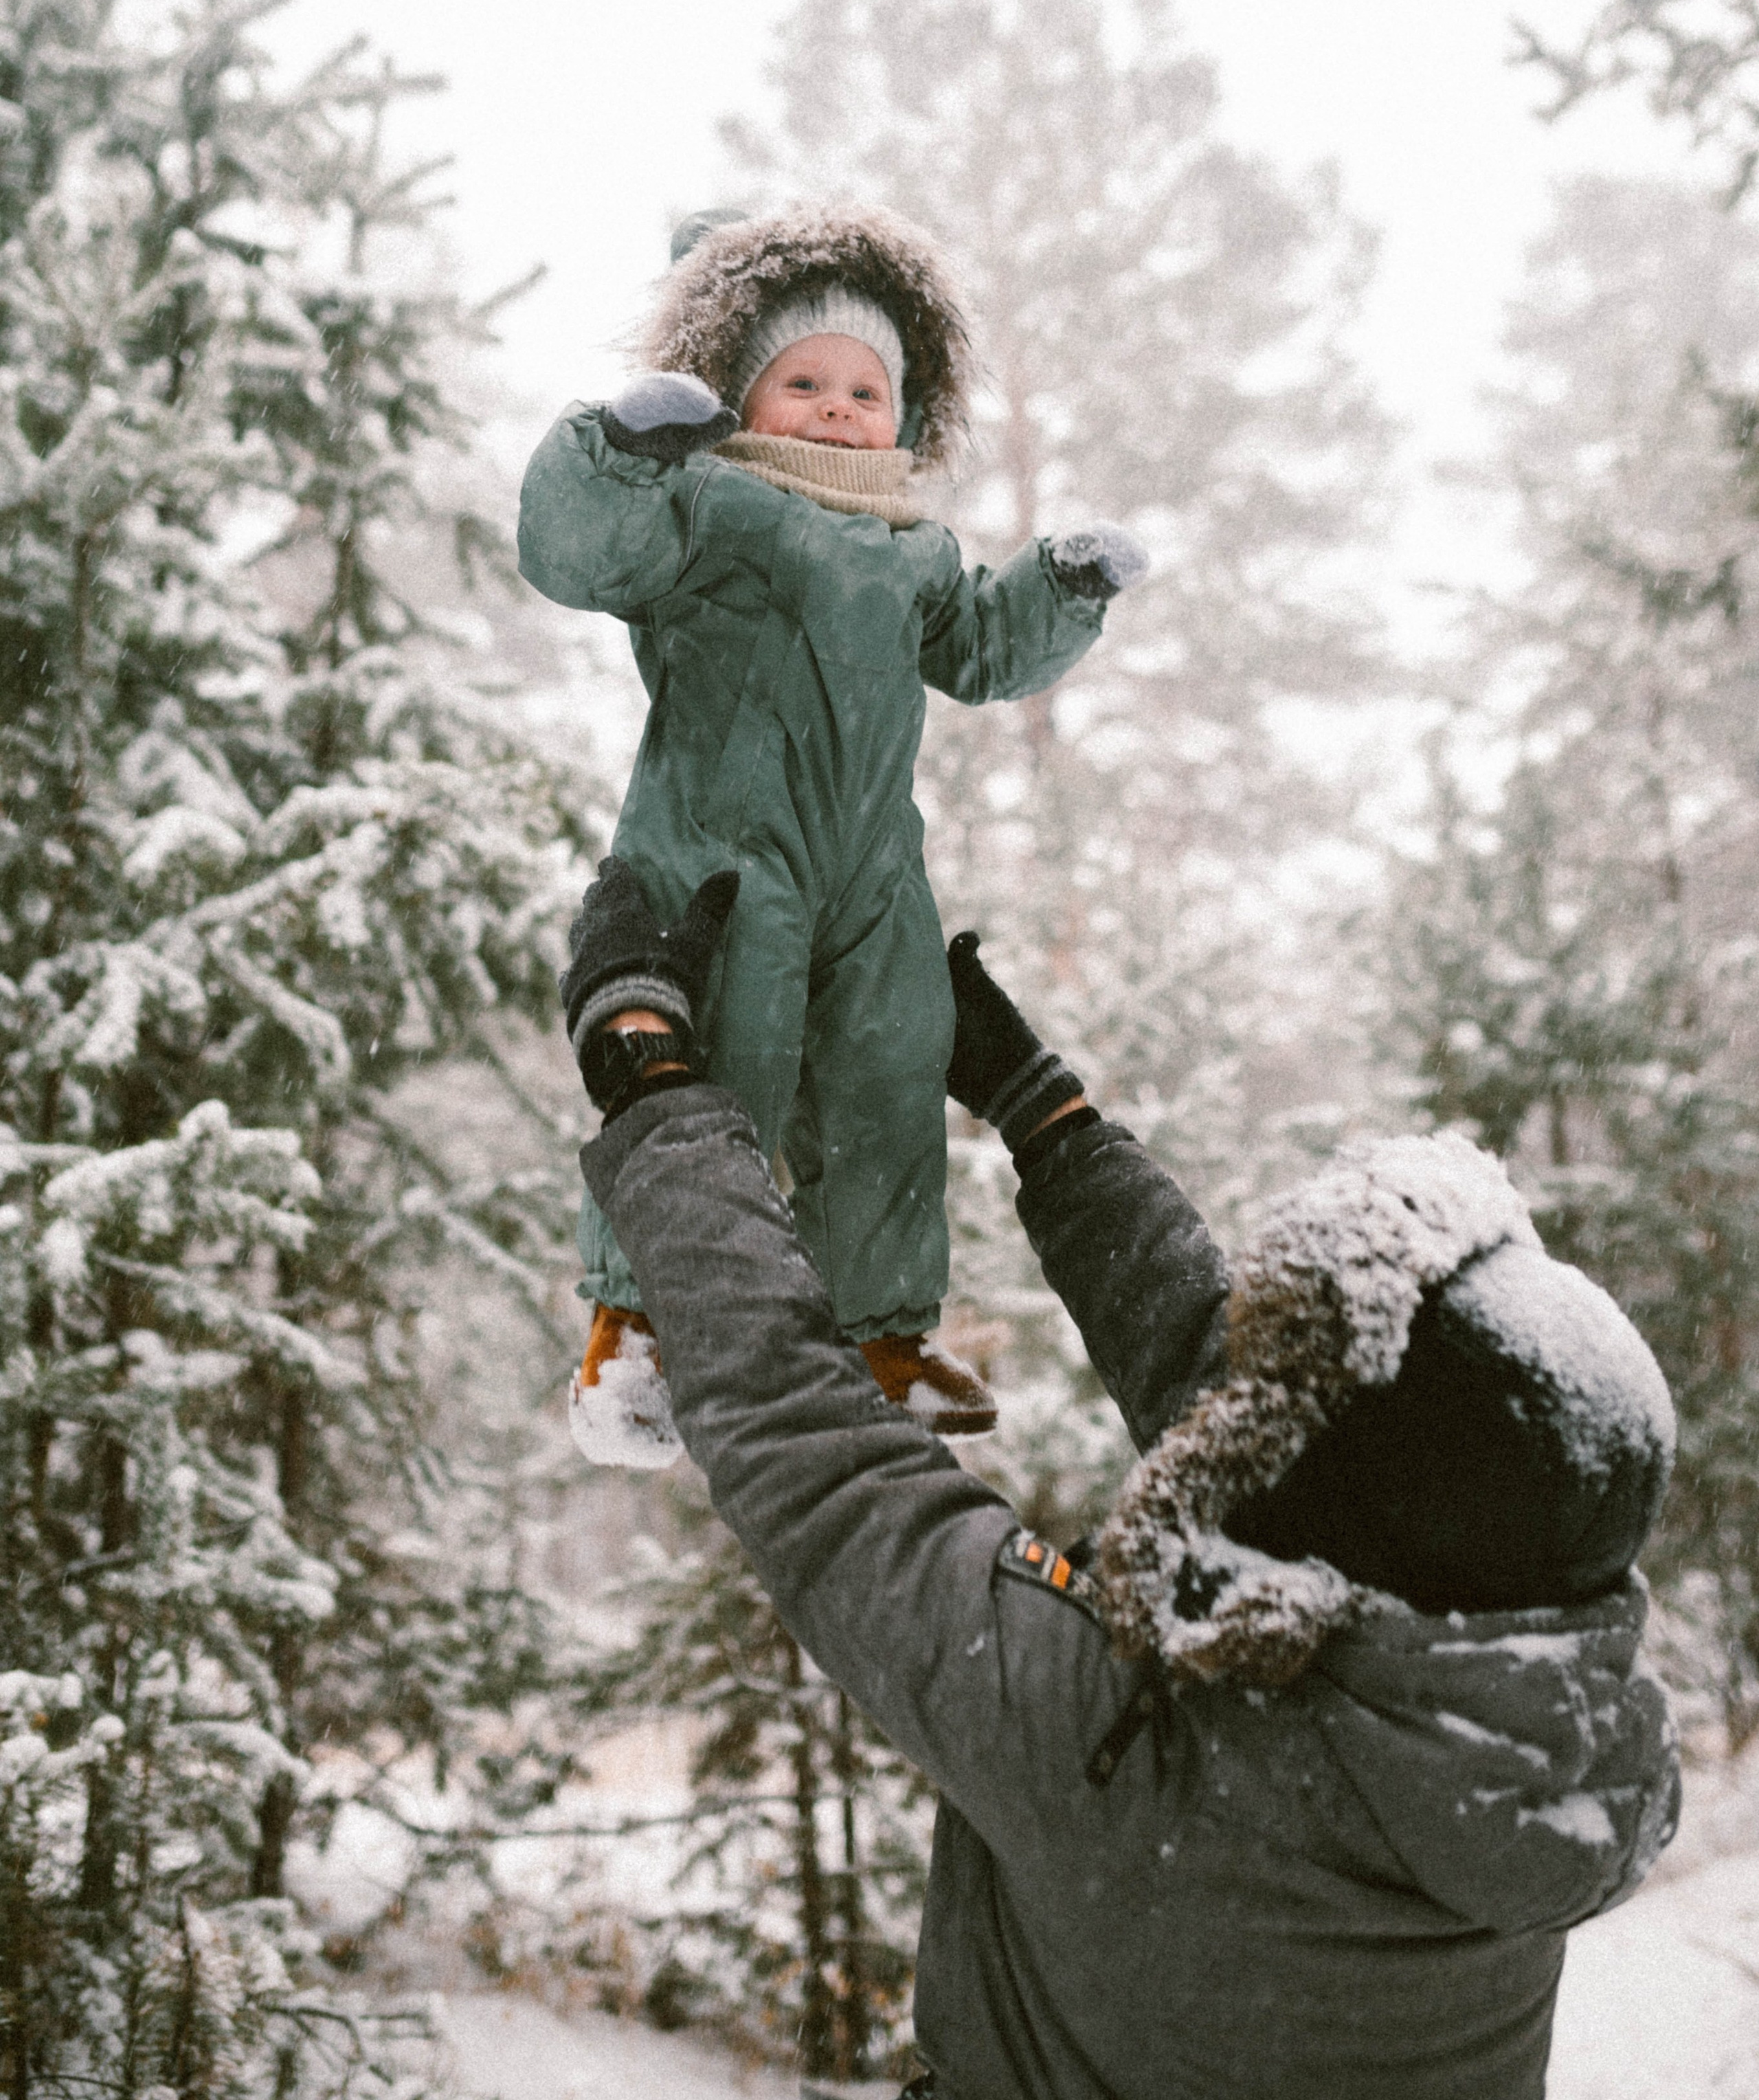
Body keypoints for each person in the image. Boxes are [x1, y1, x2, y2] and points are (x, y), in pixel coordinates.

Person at [557, 862, 1681, 2100]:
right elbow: (1261, 1416)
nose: (1246, 1404)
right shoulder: (1540, 1737)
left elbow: (812, 1447)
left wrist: (644, 1061)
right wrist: (1039, 1106)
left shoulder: (1128, 1759)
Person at [518, 202, 1146, 1462]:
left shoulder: (912, 552)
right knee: (716, 1079)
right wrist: (620, 450)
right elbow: (576, 552)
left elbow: (977, 649)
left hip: (871, 873)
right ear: (740, 398)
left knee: (887, 1080)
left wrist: (1058, 588)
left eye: (867, 389)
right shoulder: (705, 509)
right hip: (721, 860)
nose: (837, 406)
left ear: (906, 417)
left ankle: (880, 1336)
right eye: (801, 380)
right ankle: (634, 1329)